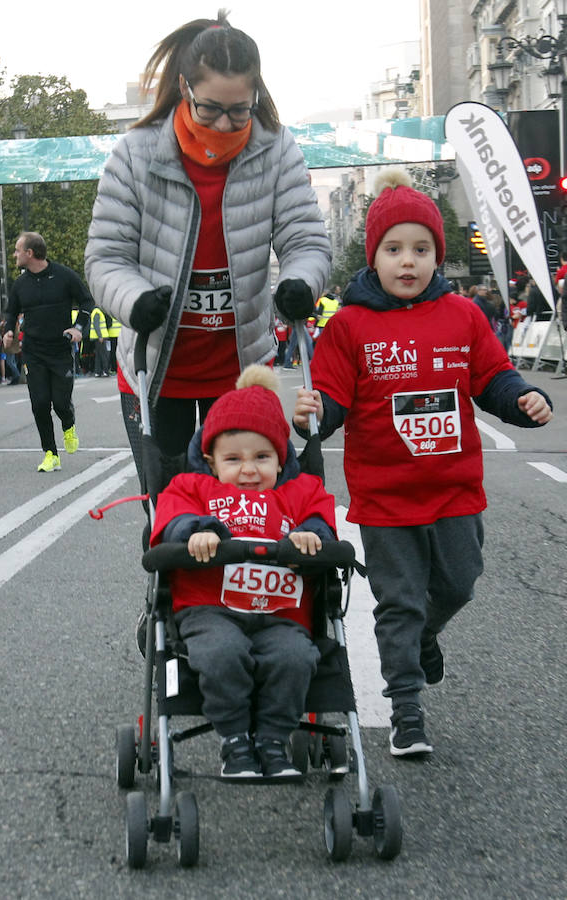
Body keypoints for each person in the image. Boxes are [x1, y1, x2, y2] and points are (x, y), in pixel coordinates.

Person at [293, 170, 553, 759]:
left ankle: (426, 637)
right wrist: (313, 413)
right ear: (374, 256)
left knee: (459, 584)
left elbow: (493, 378)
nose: (407, 262)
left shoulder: (462, 315)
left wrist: (523, 400)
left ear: (438, 254)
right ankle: (407, 708)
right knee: (398, 603)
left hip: (455, 489)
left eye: (421, 249)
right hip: (385, 497)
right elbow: (331, 398)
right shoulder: (351, 326)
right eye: (393, 250)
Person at [85, 11, 330, 477]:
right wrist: (134, 300)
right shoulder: (135, 153)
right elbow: (105, 257)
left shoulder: (277, 148)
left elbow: (306, 238)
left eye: (240, 109)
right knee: (170, 521)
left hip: (241, 371)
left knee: (246, 509)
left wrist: (301, 279)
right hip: (155, 370)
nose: (224, 123)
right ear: (185, 89)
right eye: (210, 108)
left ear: (256, 94)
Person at [151, 365, 337, 779]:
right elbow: (172, 518)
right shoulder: (193, 488)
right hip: (210, 607)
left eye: (262, 457)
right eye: (233, 459)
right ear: (210, 460)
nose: (249, 470)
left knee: (295, 659)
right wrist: (196, 533)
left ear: (281, 459)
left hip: (281, 614)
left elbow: (322, 521)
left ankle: (273, 740)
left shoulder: (300, 492)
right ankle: (235, 739)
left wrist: (311, 535)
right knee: (221, 654)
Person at [3, 232, 94, 472]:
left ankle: (69, 424)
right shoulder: (20, 283)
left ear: (29, 253)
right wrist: (8, 331)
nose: (14, 254)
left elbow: (87, 302)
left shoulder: (64, 276)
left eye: (17, 250)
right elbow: (11, 312)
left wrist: (78, 328)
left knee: (61, 403)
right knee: (40, 403)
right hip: (33, 350)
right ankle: (50, 453)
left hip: (60, 349)